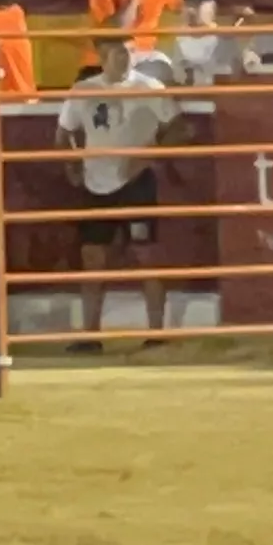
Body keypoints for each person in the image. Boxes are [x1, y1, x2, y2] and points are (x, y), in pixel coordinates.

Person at [54, 40, 176, 346]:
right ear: (103, 56)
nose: (125, 58)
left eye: (128, 52)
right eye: (119, 53)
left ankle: (156, 333)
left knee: (146, 254)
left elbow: (180, 128)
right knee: (92, 256)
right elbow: (63, 132)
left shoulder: (150, 87)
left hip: (136, 182)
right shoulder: (83, 90)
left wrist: (148, 156)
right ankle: (91, 335)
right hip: (96, 181)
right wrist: (71, 164)